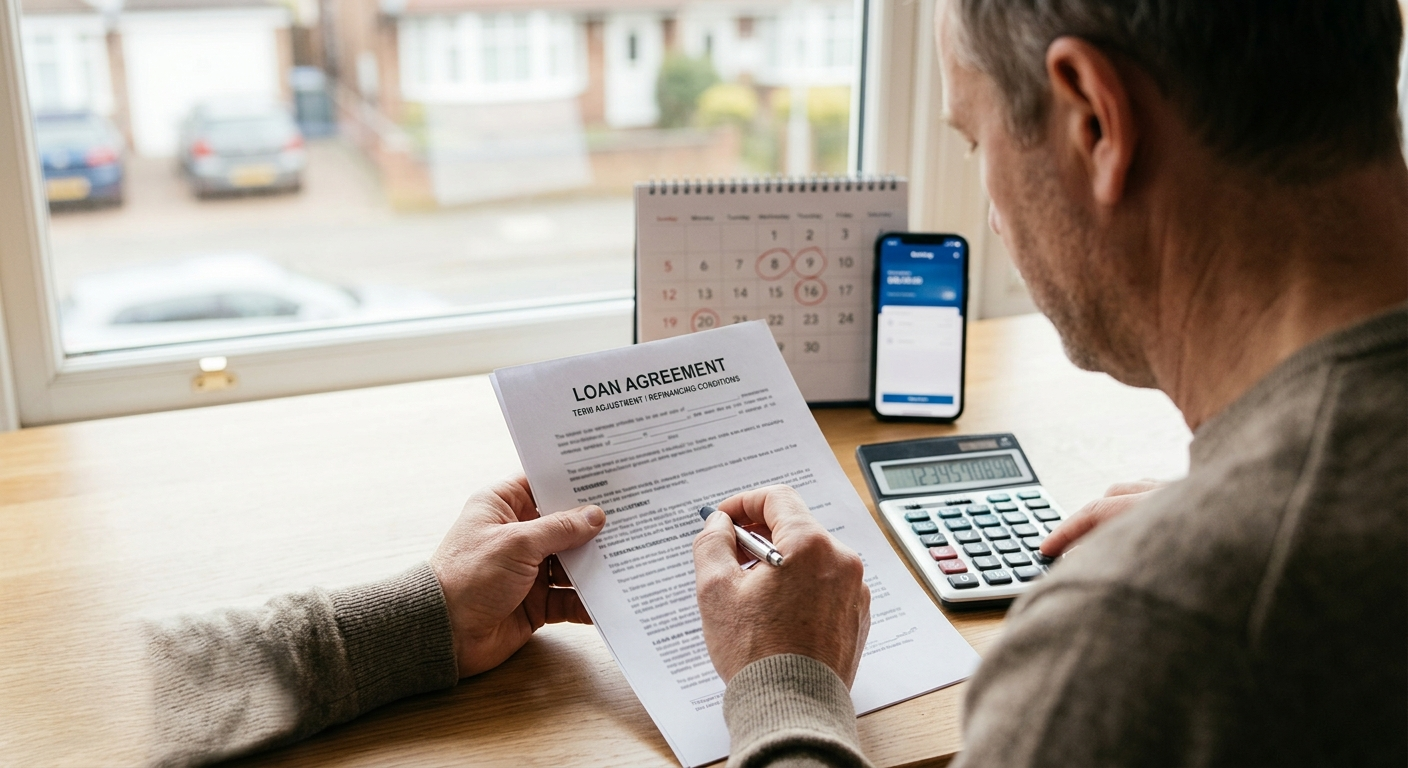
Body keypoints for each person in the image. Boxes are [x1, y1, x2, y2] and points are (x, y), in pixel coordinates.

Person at [150, 1, 1405, 765]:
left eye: (972, 139)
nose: (991, 214)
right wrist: (1232, 504)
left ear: (1090, 118)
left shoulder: (1151, 641)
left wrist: (784, 681)